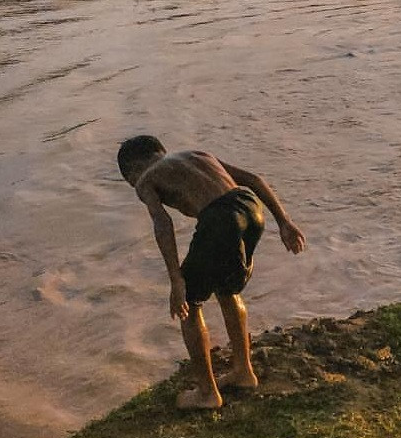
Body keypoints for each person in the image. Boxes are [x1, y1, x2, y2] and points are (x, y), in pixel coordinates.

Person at [116, 136, 306, 410]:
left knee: (189, 303)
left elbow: (162, 222)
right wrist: (284, 222)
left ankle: (207, 393)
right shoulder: (197, 154)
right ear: (161, 151)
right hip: (251, 208)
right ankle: (243, 372)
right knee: (227, 289)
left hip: (220, 218)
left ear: (133, 172)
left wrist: (175, 279)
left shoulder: (145, 178)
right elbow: (252, 179)